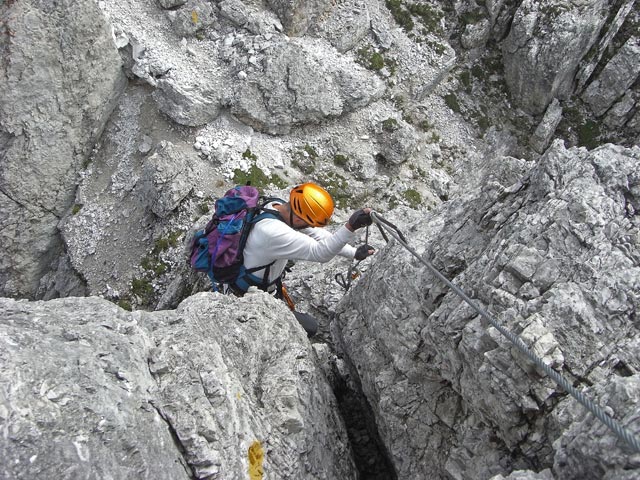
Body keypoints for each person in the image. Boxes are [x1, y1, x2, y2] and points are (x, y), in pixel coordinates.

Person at [238, 182, 374, 336]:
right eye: (308, 223)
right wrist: (350, 227)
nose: (309, 226)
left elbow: (319, 236)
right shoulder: (273, 232)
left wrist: (354, 253)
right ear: (298, 220)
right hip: (248, 295)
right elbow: (320, 253)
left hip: (259, 284)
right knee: (310, 328)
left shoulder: (277, 206)